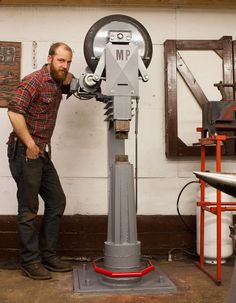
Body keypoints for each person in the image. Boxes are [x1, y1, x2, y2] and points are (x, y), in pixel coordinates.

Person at [7, 42, 74, 280]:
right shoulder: (33, 81)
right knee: (28, 209)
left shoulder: (58, 80)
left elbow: (71, 80)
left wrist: (74, 77)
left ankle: (47, 255)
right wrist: (30, 144)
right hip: (26, 152)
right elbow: (14, 111)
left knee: (57, 201)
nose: (64, 66)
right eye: (60, 61)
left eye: (68, 62)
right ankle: (29, 261)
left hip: (42, 153)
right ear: (49, 59)